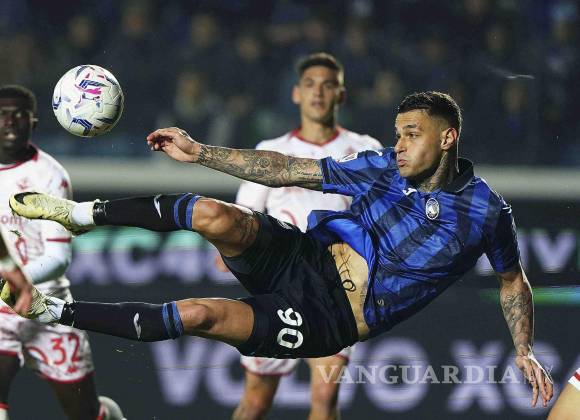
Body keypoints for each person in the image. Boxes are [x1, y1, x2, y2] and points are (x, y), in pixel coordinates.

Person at [2, 91, 553, 409]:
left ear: (448, 138)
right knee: (212, 213)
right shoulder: (382, 167)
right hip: (307, 256)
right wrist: (200, 152)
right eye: (397, 133)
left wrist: (524, 349)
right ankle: (81, 215)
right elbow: (288, 169)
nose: (400, 144)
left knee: (198, 314)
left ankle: (54, 311)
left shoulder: (486, 213)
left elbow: (512, 280)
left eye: (411, 134)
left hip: (329, 317)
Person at [222, 53, 382, 420]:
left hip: (334, 290)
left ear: (341, 95)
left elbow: (377, 216)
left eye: (328, 85)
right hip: (278, 286)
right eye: (310, 85)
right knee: (256, 402)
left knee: (325, 397)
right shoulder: (271, 152)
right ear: (296, 94)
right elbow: (244, 217)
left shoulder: (365, 150)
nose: (318, 93)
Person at [0, 85, 124, 420]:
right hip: (1, 310)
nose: (10, 122)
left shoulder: (50, 175)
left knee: (86, 414)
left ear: (33, 123)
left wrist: (16, 279)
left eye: (19, 115)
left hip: (47, 306)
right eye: (2, 115)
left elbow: (58, 258)